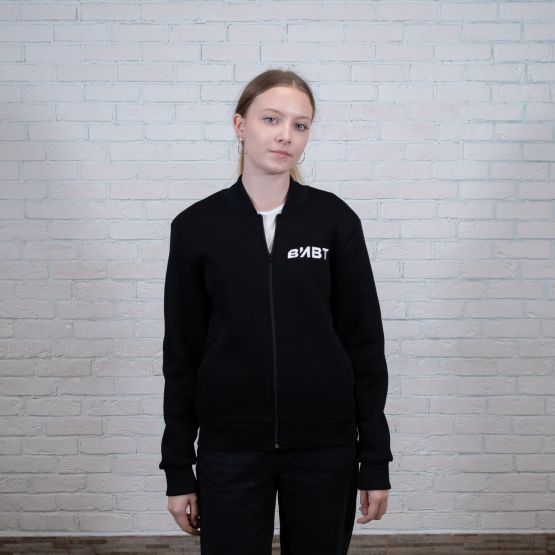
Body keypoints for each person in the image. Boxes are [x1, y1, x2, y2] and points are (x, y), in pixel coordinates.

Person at [158, 68, 393, 555]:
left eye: (300, 124)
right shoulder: (196, 228)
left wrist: (374, 459)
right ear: (240, 125)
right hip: (230, 452)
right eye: (271, 119)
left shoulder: (334, 221)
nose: (286, 134)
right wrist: (179, 467)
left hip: (325, 450)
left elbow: (365, 346)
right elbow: (181, 354)